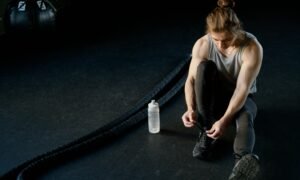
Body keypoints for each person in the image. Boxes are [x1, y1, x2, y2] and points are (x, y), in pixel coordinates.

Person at [181, 0, 263, 179]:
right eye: (216, 40)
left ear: (237, 30)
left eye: (226, 40)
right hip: (212, 97)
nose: (220, 45)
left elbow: (242, 89)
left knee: (246, 117)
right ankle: (207, 131)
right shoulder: (203, 44)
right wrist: (190, 108)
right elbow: (191, 81)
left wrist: (225, 120)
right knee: (202, 68)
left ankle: (241, 167)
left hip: (241, 98)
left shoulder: (252, 47)